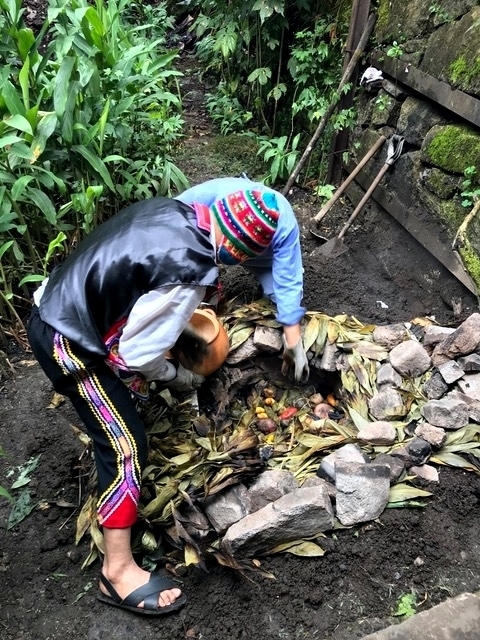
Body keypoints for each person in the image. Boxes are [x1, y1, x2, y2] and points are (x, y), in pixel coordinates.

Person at [26, 187, 309, 616]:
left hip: (61, 298)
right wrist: (181, 378)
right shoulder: (189, 271)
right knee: (125, 446)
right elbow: (140, 356)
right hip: (66, 339)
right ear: (235, 253)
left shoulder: (177, 210)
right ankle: (116, 572)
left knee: (123, 410)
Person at [176, 176, 309, 383]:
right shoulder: (197, 202)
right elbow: (169, 247)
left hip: (263, 255)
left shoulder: (284, 230)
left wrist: (293, 342)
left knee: (277, 297)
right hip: (207, 239)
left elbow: (288, 281)